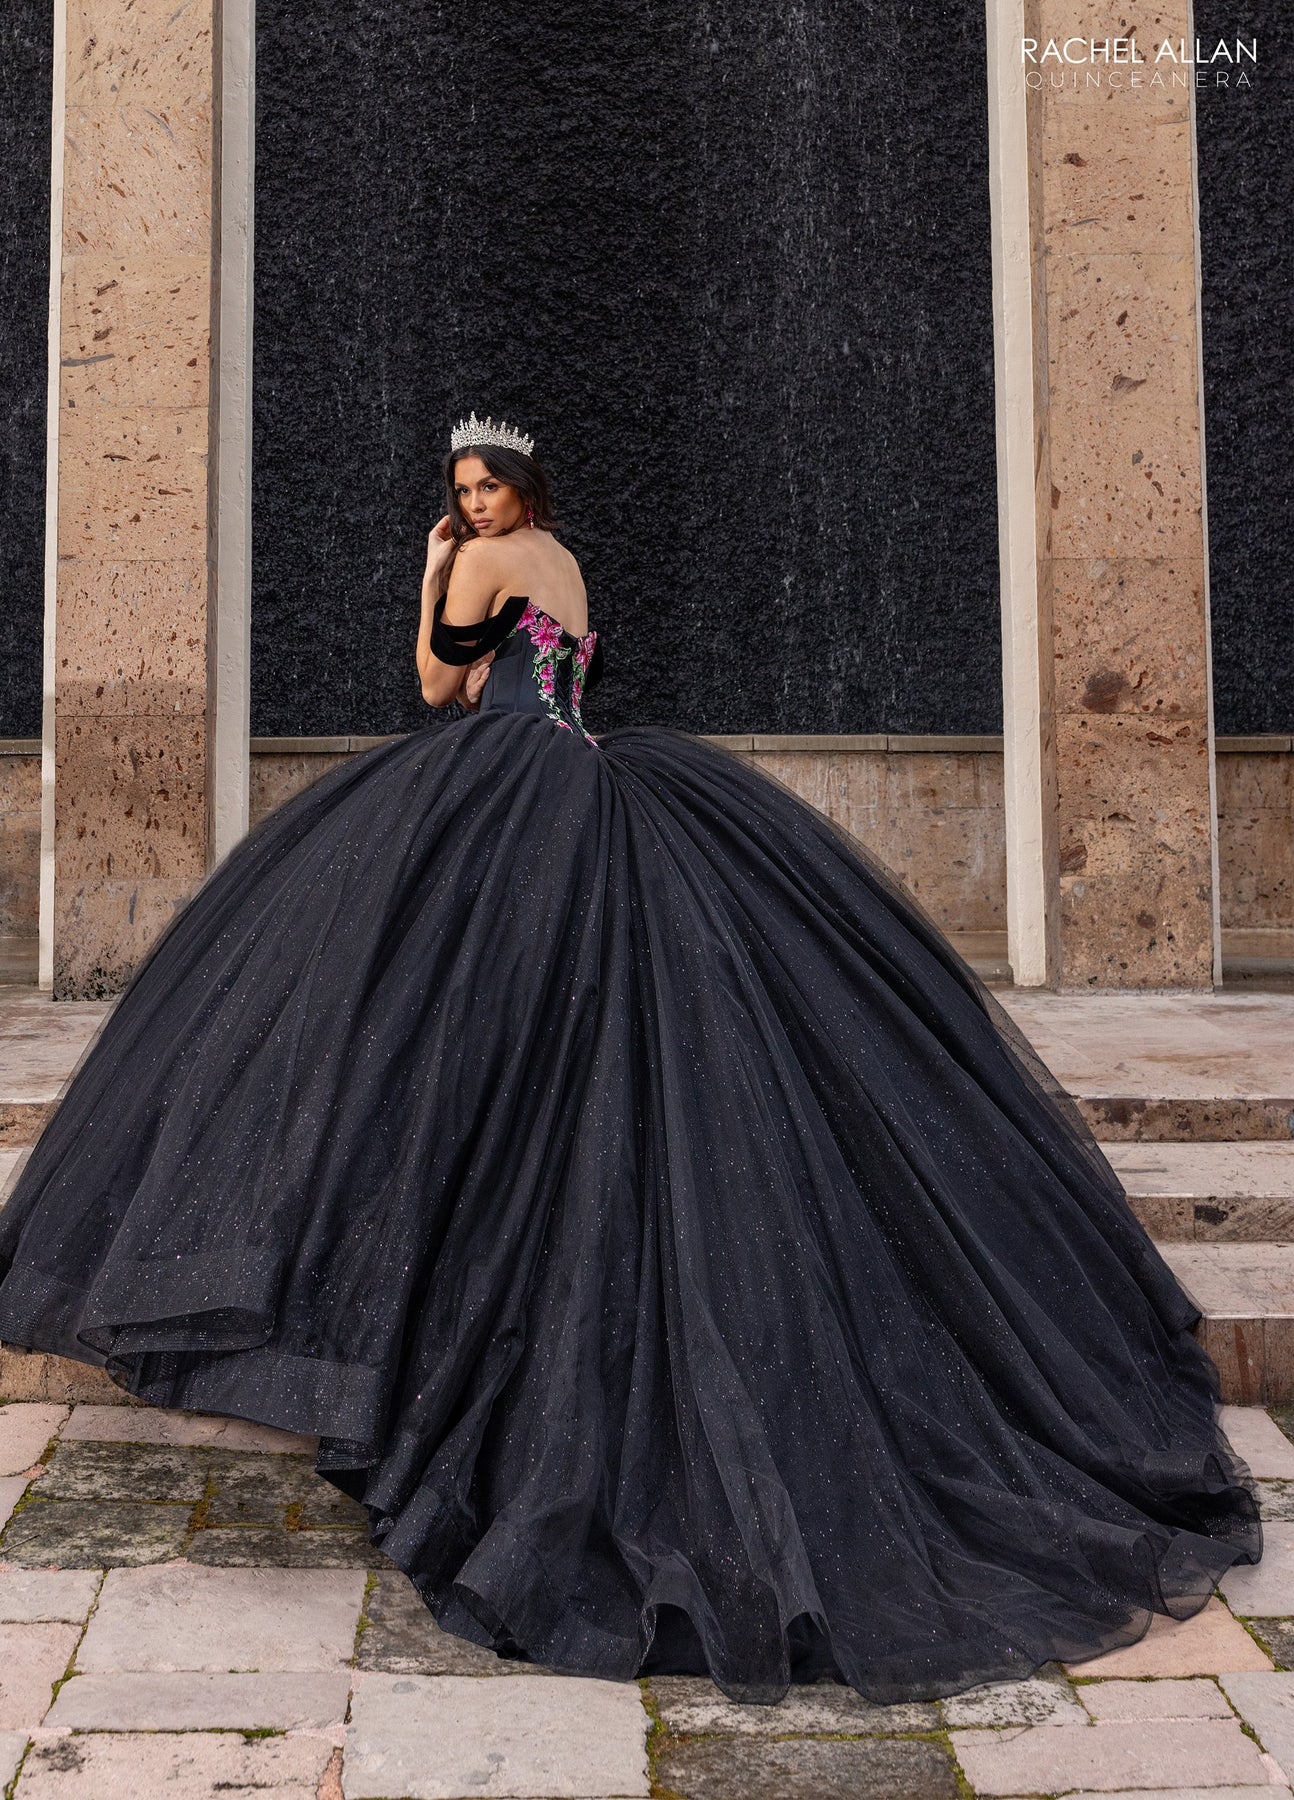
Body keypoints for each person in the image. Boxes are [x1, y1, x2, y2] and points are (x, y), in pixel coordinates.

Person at [0, 414, 1260, 1705]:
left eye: (486, 488)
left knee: (421, 1031)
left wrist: (431, 575)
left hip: (501, 784)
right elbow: (552, 685)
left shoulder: (481, 563)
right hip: (586, 769)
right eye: (461, 493)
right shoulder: (565, 560)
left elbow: (438, 691)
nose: (472, 505)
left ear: (517, 490)